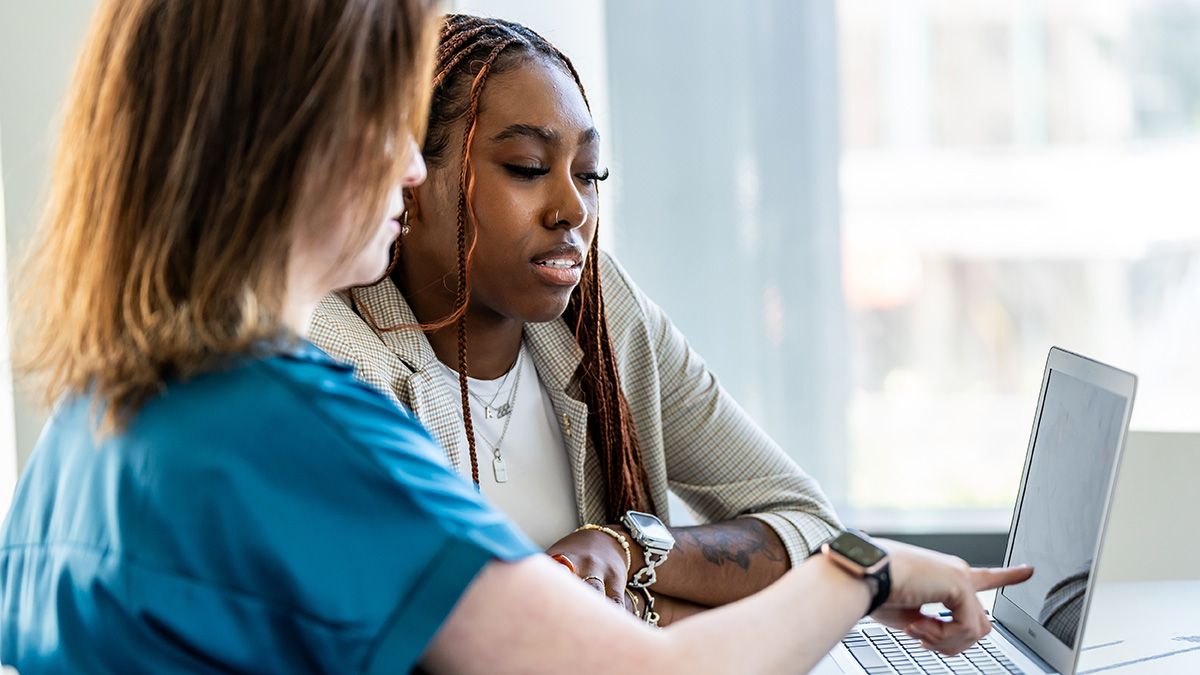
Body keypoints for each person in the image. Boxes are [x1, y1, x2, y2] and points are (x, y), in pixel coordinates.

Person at [0, 1, 1033, 673]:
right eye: (386, 122)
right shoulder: (295, 439)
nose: (408, 169)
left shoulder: (103, 418)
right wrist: (870, 569)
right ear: (291, 142)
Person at [309, 13, 841, 624]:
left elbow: (809, 525)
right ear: (406, 178)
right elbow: (448, 635)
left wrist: (626, 548)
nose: (573, 208)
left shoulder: (601, 308)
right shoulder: (332, 349)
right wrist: (650, 612)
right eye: (529, 168)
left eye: (589, 174)